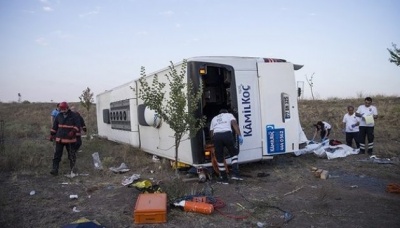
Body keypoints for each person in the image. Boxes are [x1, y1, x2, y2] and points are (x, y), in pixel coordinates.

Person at [209, 109, 243, 184]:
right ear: (226, 112)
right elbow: (234, 124)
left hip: (217, 136)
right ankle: (235, 174)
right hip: (227, 135)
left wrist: (214, 141)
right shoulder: (229, 115)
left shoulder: (214, 118)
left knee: (219, 158)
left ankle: (224, 179)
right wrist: (239, 135)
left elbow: (211, 132)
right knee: (233, 154)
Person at [49, 101, 81, 175]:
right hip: (59, 139)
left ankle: (73, 170)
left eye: (64, 109)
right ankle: (55, 170)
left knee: (72, 155)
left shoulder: (74, 115)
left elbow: (77, 125)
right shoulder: (59, 116)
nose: (62, 111)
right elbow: (55, 126)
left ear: (67, 108)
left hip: (70, 140)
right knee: (57, 155)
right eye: (61, 109)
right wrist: (52, 134)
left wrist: (73, 131)